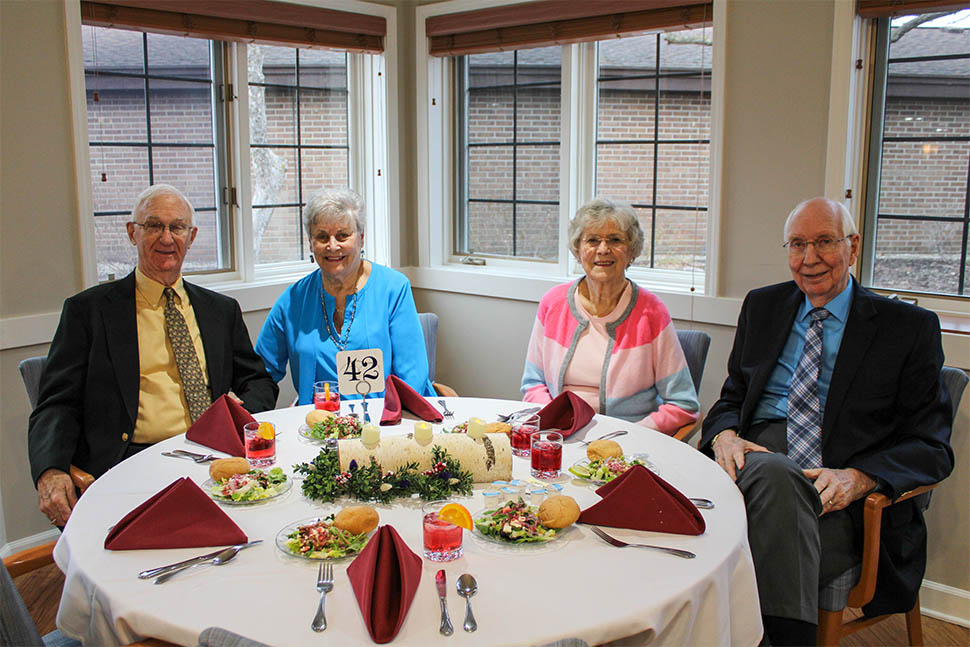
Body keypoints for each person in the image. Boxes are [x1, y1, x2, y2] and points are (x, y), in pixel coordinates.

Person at [700, 197, 954, 646]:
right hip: (750, 465)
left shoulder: (906, 328)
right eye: (797, 244)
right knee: (771, 475)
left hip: (836, 497)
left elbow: (931, 446)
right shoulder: (763, 306)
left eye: (823, 242)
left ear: (852, 247)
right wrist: (723, 435)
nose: (809, 258)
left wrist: (859, 478)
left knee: (735, 527)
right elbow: (732, 398)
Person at [28, 184, 279, 526]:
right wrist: (51, 470)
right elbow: (57, 402)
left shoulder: (221, 310)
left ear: (191, 237)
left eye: (176, 227)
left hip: (214, 456)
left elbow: (258, 380)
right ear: (133, 232)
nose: (166, 238)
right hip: (131, 462)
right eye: (153, 226)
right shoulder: (89, 312)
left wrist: (239, 419)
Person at [521, 197, 699, 434]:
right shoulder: (553, 303)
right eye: (592, 240)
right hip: (559, 434)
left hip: (627, 439)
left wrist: (634, 434)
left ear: (631, 251)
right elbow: (533, 384)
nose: (603, 249)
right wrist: (555, 423)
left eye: (615, 240)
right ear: (578, 249)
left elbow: (683, 404)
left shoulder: (652, 312)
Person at [255, 188, 434, 404]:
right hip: (319, 426)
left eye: (342, 235)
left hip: (384, 421)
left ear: (361, 238)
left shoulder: (393, 289)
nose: (332, 246)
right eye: (322, 237)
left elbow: (412, 376)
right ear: (311, 243)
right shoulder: (293, 300)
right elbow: (260, 372)